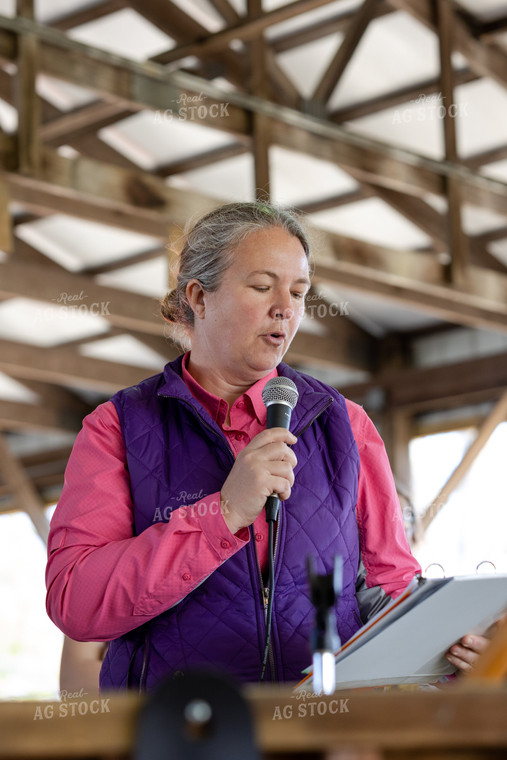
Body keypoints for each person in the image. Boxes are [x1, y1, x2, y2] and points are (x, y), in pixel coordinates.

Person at [45, 201, 488, 691]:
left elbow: (390, 587)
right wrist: (223, 513)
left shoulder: (345, 423)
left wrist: (444, 640)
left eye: (298, 292)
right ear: (199, 296)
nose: (286, 307)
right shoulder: (118, 428)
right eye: (262, 286)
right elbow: (75, 603)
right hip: (182, 733)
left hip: (325, 726)